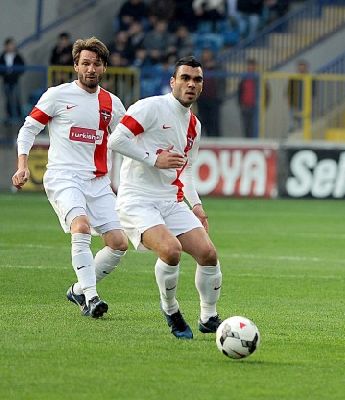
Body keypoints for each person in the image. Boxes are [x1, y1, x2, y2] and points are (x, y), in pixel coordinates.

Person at [12, 37, 129, 318]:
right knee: (81, 226)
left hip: (98, 181)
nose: (91, 68)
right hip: (64, 177)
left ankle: (78, 290)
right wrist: (22, 164)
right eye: (85, 63)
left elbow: (128, 138)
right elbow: (28, 129)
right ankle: (91, 298)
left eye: (96, 64)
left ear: (104, 68)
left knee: (119, 242)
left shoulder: (111, 103)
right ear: (76, 65)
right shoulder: (57, 95)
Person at [107, 56, 223, 339]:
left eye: (197, 80)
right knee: (171, 250)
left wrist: (196, 206)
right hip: (137, 200)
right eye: (185, 78)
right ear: (173, 82)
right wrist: (153, 159)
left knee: (208, 254)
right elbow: (116, 140)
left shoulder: (194, 125)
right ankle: (170, 309)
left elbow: (187, 169)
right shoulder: (150, 107)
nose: (191, 84)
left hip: (170, 200)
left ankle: (208, 317)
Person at [196, 48, 225, 137]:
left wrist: (221, 96)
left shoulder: (218, 66)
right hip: (202, 98)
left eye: (208, 53)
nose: (206, 55)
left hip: (214, 98)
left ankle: (216, 141)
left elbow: (223, 81)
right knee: (202, 120)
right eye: (205, 53)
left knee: (214, 121)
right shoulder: (198, 66)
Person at [0, 37, 25, 125]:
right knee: (8, 98)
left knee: (17, 98)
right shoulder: (3, 56)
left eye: (12, 45)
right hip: (6, 80)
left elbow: (22, 67)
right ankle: (9, 116)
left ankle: (18, 116)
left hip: (15, 80)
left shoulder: (17, 56)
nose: (11, 47)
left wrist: (15, 74)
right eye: (9, 45)